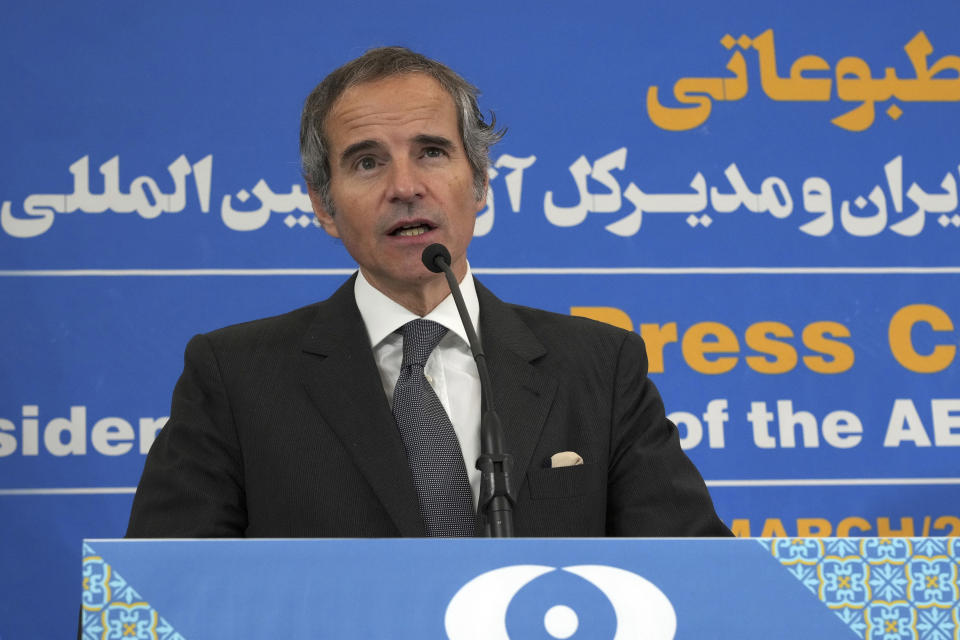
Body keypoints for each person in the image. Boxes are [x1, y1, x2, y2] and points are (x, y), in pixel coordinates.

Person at [126, 47, 730, 538]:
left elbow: (702, 579)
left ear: (481, 182)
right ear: (323, 205)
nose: (405, 186)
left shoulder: (599, 366)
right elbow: (148, 605)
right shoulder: (234, 378)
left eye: (433, 152)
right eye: (367, 163)